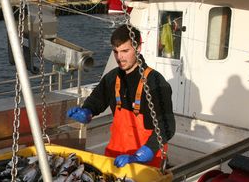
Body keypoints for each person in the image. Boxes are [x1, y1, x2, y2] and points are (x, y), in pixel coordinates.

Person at [67, 24, 175, 169]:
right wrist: (87, 111)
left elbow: (167, 125)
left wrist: (146, 151)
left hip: (147, 164)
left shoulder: (155, 82)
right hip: (116, 158)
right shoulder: (112, 78)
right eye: (116, 51)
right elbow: (96, 101)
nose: (120, 57)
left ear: (138, 48)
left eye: (125, 51)